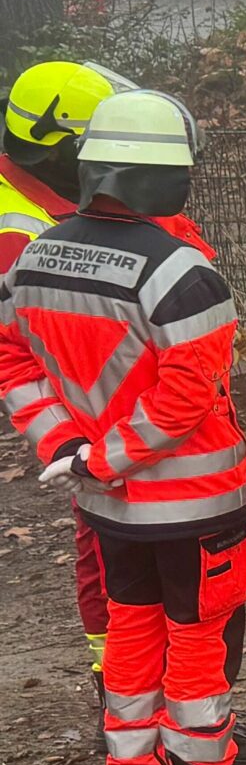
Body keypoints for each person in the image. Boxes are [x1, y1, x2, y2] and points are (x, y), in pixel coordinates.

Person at [0, 91, 246, 765]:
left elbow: (15, 363)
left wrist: (66, 448)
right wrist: (107, 458)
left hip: (107, 506)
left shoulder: (35, 257)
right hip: (193, 502)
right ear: (169, 177)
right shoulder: (182, 272)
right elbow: (186, 396)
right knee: (199, 635)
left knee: (131, 626)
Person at [2, 61, 119, 712]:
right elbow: (17, 355)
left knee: (111, 551)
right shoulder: (19, 232)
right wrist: (69, 442)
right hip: (84, 415)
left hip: (90, 406)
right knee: (111, 554)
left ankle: (143, 703)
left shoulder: (36, 203)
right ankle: (133, 703)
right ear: (59, 148)